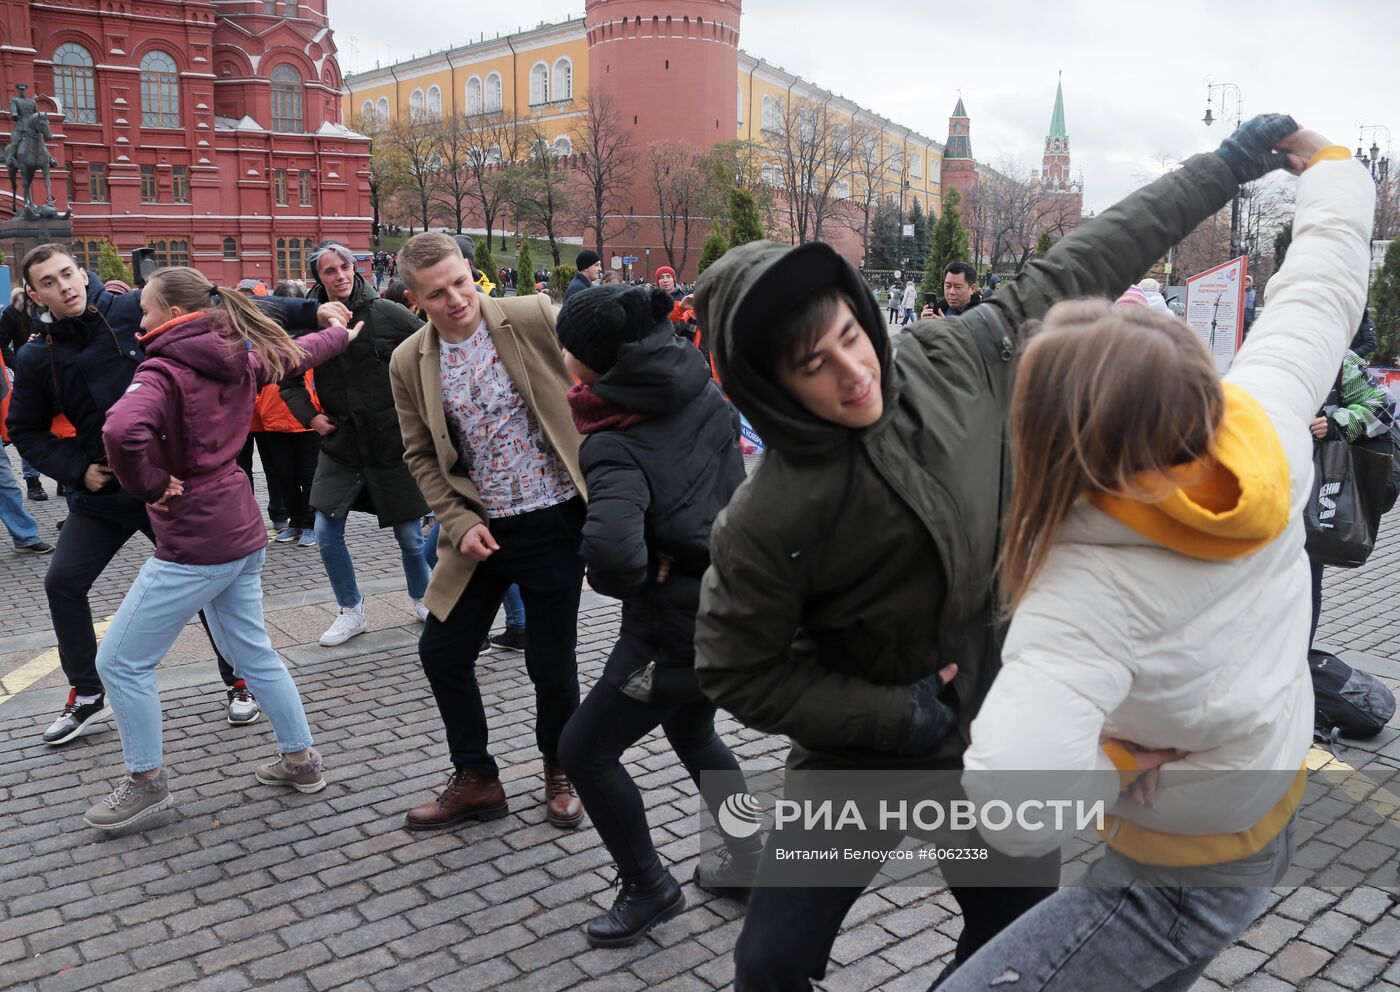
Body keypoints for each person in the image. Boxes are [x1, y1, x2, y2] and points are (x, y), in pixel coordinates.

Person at [690, 112, 1302, 992]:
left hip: (993, 733)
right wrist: (894, 715)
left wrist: (1227, 166)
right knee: (770, 964)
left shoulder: (953, 354)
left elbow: (1086, 259)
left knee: (1011, 943)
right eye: (813, 364)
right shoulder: (762, 519)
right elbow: (735, 670)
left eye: (851, 338)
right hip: (857, 758)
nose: (852, 372)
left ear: (867, 317)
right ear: (769, 383)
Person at [944, 124, 1368, 992]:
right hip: (1269, 806)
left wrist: (1114, 766)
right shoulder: (1268, 421)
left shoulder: (1080, 588)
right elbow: (1318, 293)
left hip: (1171, 873)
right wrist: (1333, 170)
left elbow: (1017, 804)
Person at [6, 244, 326, 743]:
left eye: (67, 273)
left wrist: (312, 307)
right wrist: (76, 471)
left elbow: (221, 303)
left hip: (171, 488)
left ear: (80, 271)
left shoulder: (131, 306)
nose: (63, 286)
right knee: (62, 582)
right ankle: (87, 693)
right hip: (106, 489)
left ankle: (238, 682)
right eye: (49, 281)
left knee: (207, 588)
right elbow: (24, 430)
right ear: (34, 292)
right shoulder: (35, 353)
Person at [83, 267, 354, 831]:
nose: (141, 318)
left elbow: (120, 431)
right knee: (253, 652)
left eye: (148, 309)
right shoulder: (238, 354)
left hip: (197, 537)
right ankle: (301, 760)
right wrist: (340, 332)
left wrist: (152, 485)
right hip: (239, 523)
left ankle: (146, 780)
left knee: (119, 661)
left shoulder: (163, 370)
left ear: (176, 317)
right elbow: (300, 353)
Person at [554, 285, 756, 946]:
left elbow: (611, 553)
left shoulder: (614, 437)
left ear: (597, 362)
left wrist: (642, 573)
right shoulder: (695, 386)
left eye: (567, 347)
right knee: (694, 734)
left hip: (669, 631)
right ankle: (748, 862)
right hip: (726, 605)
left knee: (584, 750)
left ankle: (649, 886)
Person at [387, 231, 587, 831]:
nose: (456, 299)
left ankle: (560, 768)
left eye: (460, 281)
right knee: (442, 652)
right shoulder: (408, 360)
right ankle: (477, 778)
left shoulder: (532, 316)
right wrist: (457, 519)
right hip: (480, 533)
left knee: (551, 663)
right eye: (437, 293)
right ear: (414, 298)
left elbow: (598, 381)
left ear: (472, 272)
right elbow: (420, 454)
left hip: (554, 518)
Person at [281, 240, 432, 644]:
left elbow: (431, 346)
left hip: (390, 444)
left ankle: (423, 598)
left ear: (355, 268)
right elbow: (287, 375)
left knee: (411, 538)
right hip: (341, 445)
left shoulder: (386, 312)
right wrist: (309, 416)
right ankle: (351, 610)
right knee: (327, 533)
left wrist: (419, 406)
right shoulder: (310, 321)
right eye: (330, 270)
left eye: (345, 266)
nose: (340, 276)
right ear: (319, 277)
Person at [1307, 348, 1393, 645]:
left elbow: (1382, 407)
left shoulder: (1339, 358)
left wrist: (1337, 423)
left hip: (1315, 483)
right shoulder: (1264, 347)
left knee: (1306, 577)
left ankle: (1296, 663)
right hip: (1263, 485)